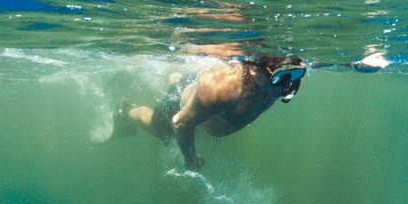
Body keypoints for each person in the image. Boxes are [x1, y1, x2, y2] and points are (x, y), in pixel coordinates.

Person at [110, 55, 311, 170]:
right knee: (163, 131)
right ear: (253, 69)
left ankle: (175, 78)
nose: (284, 86)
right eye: (276, 76)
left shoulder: (284, 79)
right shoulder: (223, 90)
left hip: (203, 95)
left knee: (188, 87)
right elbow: (180, 122)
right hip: (186, 102)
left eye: (290, 78)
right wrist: (190, 159)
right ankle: (125, 111)